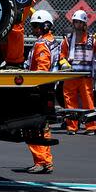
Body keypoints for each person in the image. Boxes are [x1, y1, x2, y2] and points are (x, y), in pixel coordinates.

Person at [21, 9, 60, 174]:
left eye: (37, 26)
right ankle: (46, 161)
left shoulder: (42, 44)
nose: (34, 29)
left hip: (38, 90)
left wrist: (32, 85)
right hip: (48, 89)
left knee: (31, 127)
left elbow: (42, 68)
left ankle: (41, 162)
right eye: (34, 26)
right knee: (42, 127)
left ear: (45, 26)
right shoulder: (53, 41)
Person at [60, 9, 96, 135]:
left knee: (88, 101)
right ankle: (72, 126)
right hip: (70, 75)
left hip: (86, 77)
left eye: (80, 22)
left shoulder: (92, 39)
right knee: (69, 100)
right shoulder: (68, 39)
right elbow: (62, 55)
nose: (78, 25)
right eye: (76, 22)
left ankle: (91, 126)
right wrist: (63, 62)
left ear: (85, 24)